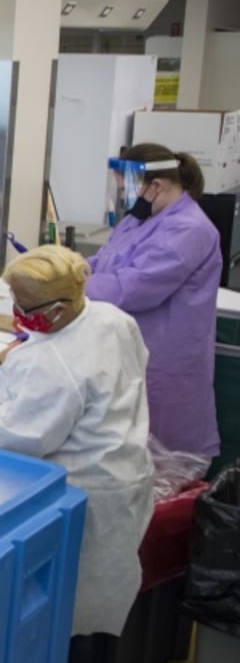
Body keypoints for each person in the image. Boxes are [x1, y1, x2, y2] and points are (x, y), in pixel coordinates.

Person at [0, 246, 153, 663]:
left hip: (78, 489)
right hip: (123, 473)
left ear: (60, 307)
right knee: (80, 596)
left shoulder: (51, 365)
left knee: (55, 595)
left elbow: (12, 439)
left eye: (26, 307)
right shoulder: (111, 319)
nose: (18, 314)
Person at [87, 143, 222, 460]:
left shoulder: (189, 229)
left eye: (126, 188)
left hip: (164, 359)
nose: (124, 196)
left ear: (155, 186)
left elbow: (133, 287)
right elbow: (110, 259)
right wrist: (78, 266)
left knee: (159, 461)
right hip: (130, 348)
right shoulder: (141, 219)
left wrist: (69, 286)